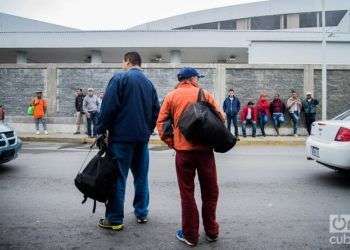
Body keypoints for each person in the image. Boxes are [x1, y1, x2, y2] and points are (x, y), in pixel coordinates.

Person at [157, 67, 224, 246]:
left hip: (183, 153)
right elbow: (221, 118)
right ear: (192, 78)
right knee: (210, 192)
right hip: (205, 153)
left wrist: (174, 143)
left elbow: (161, 124)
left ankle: (190, 235)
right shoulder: (205, 94)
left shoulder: (171, 96)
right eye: (197, 77)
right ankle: (211, 232)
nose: (198, 80)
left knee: (187, 193)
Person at [96, 52, 160, 231]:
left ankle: (115, 219)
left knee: (118, 178)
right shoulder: (148, 83)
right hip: (142, 139)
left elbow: (108, 107)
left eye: (122, 61)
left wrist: (100, 129)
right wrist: (147, 130)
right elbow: (156, 110)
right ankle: (141, 213)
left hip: (121, 139)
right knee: (141, 177)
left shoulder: (119, 78)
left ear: (128, 61)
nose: (122, 64)